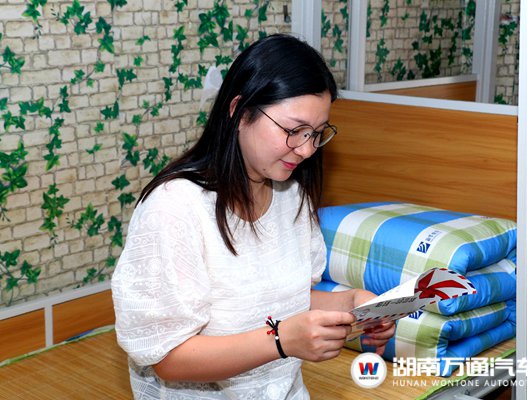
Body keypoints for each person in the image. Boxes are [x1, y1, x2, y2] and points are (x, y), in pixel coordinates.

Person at [111, 33, 395, 399]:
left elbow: (280, 299)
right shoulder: (174, 208)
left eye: (316, 134)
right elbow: (167, 358)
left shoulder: (290, 196)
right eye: (294, 131)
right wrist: (280, 341)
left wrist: (353, 303)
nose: (307, 150)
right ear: (239, 111)